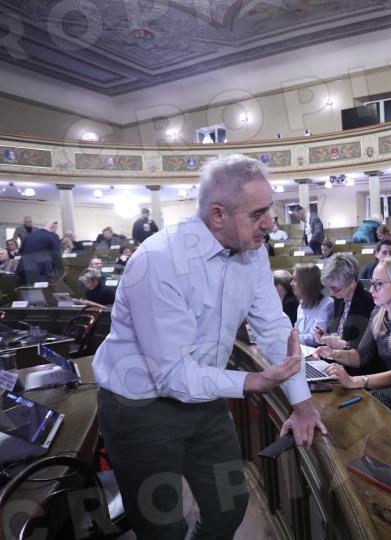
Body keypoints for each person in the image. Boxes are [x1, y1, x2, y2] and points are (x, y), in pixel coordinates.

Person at [92, 155, 325, 538]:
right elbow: (172, 375)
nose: (271, 223)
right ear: (218, 215)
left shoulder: (253, 250)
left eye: (270, 210)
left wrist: (302, 406)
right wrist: (252, 382)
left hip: (205, 400)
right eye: (258, 213)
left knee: (228, 506)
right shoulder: (158, 260)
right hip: (139, 406)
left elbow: (273, 328)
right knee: (161, 527)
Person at [317, 257, 391, 413]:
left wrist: (354, 380)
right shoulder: (378, 312)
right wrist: (333, 354)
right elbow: (361, 355)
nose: (371, 290)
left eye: (379, 284)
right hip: (382, 387)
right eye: (372, 283)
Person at [315, 252, 375, 351]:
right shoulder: (339, 300)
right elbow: (339, 334)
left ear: (351, 282)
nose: (331, 293)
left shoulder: (369, 303)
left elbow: (367, 349)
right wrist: (327, 337)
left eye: (335, 288)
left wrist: (342, 344)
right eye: (330, 288)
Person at [291, 263, 333, 347]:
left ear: (306, 282)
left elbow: (315, 339)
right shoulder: (301, 304)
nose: (291, 283)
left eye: (295, 280)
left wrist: (289, 338)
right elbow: (296, 332)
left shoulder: (327, 304)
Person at [17, 220, 63, 285]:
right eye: (56, 228)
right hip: (41, 269)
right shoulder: (53, 236)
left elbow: (22, 251)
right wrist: (61, 268)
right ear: (53, 227)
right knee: (42, 290)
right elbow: (56, 254)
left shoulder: (29, 236)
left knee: (26, 289)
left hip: (24, 268)